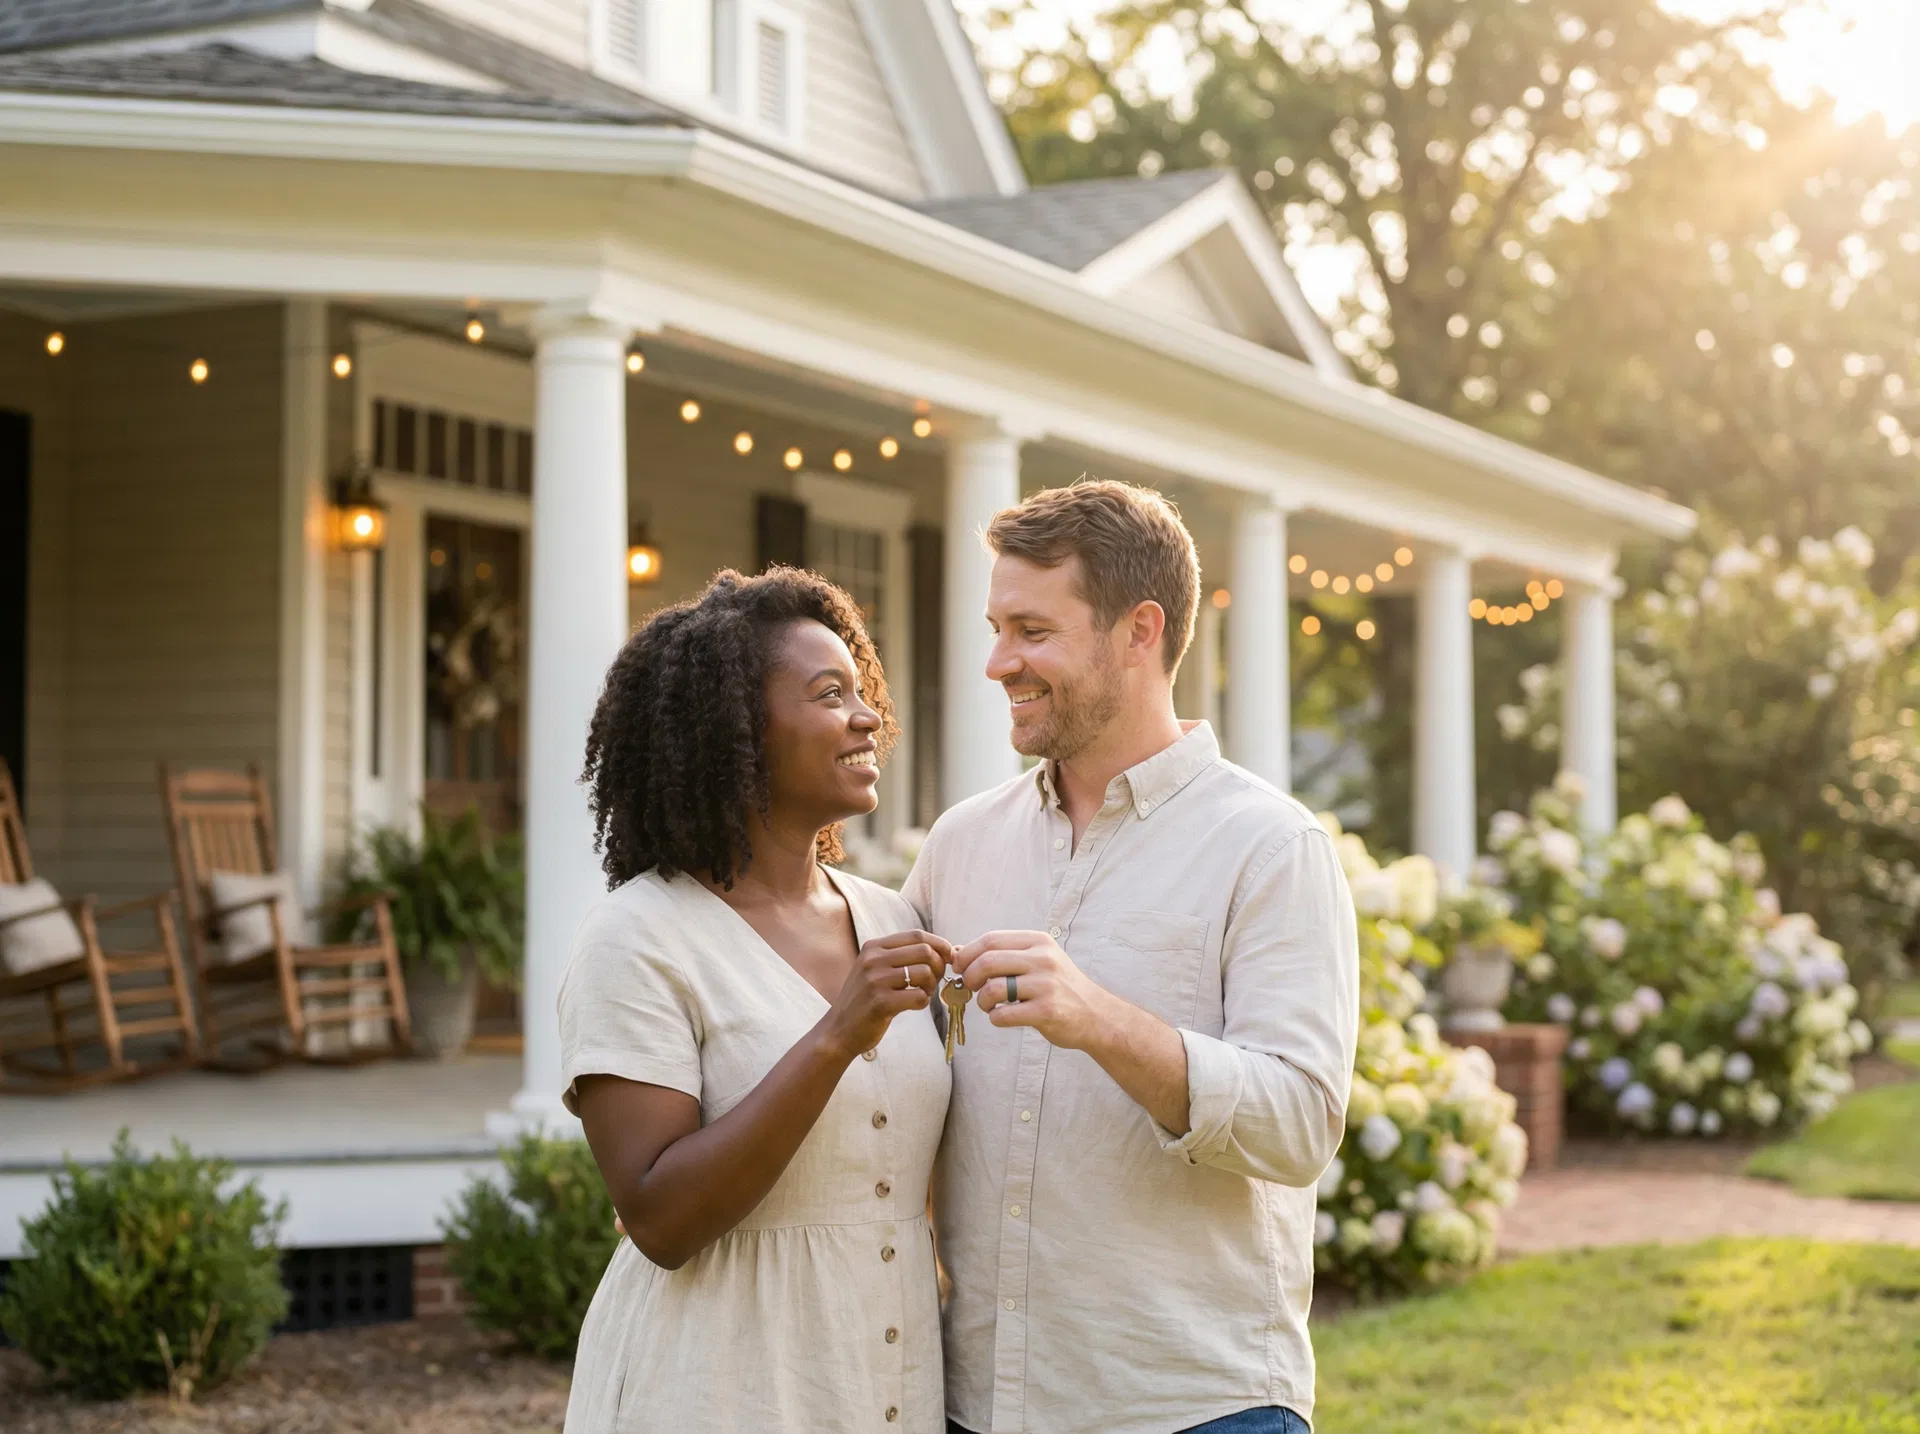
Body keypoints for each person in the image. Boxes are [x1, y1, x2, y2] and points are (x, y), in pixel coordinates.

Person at [904, 480, 1359, 1434]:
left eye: (1032, 630)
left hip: (1192, 1407)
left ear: (1140, 629)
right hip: (978, 1403)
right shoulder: (960, 843)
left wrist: (1100, 1020)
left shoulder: (1270, 848)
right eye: (996, 628)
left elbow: (1300, 1125)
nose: (997, 663)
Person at [559, 568, 953, 1433]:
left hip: (884, 1382)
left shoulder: (891, 918)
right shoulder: (640, 939)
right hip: (716, 1387)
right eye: (828, 695)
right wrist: (833, 1037)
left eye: (862, 692)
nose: (868, 718)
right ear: (735, 728)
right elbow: (659, 1218)